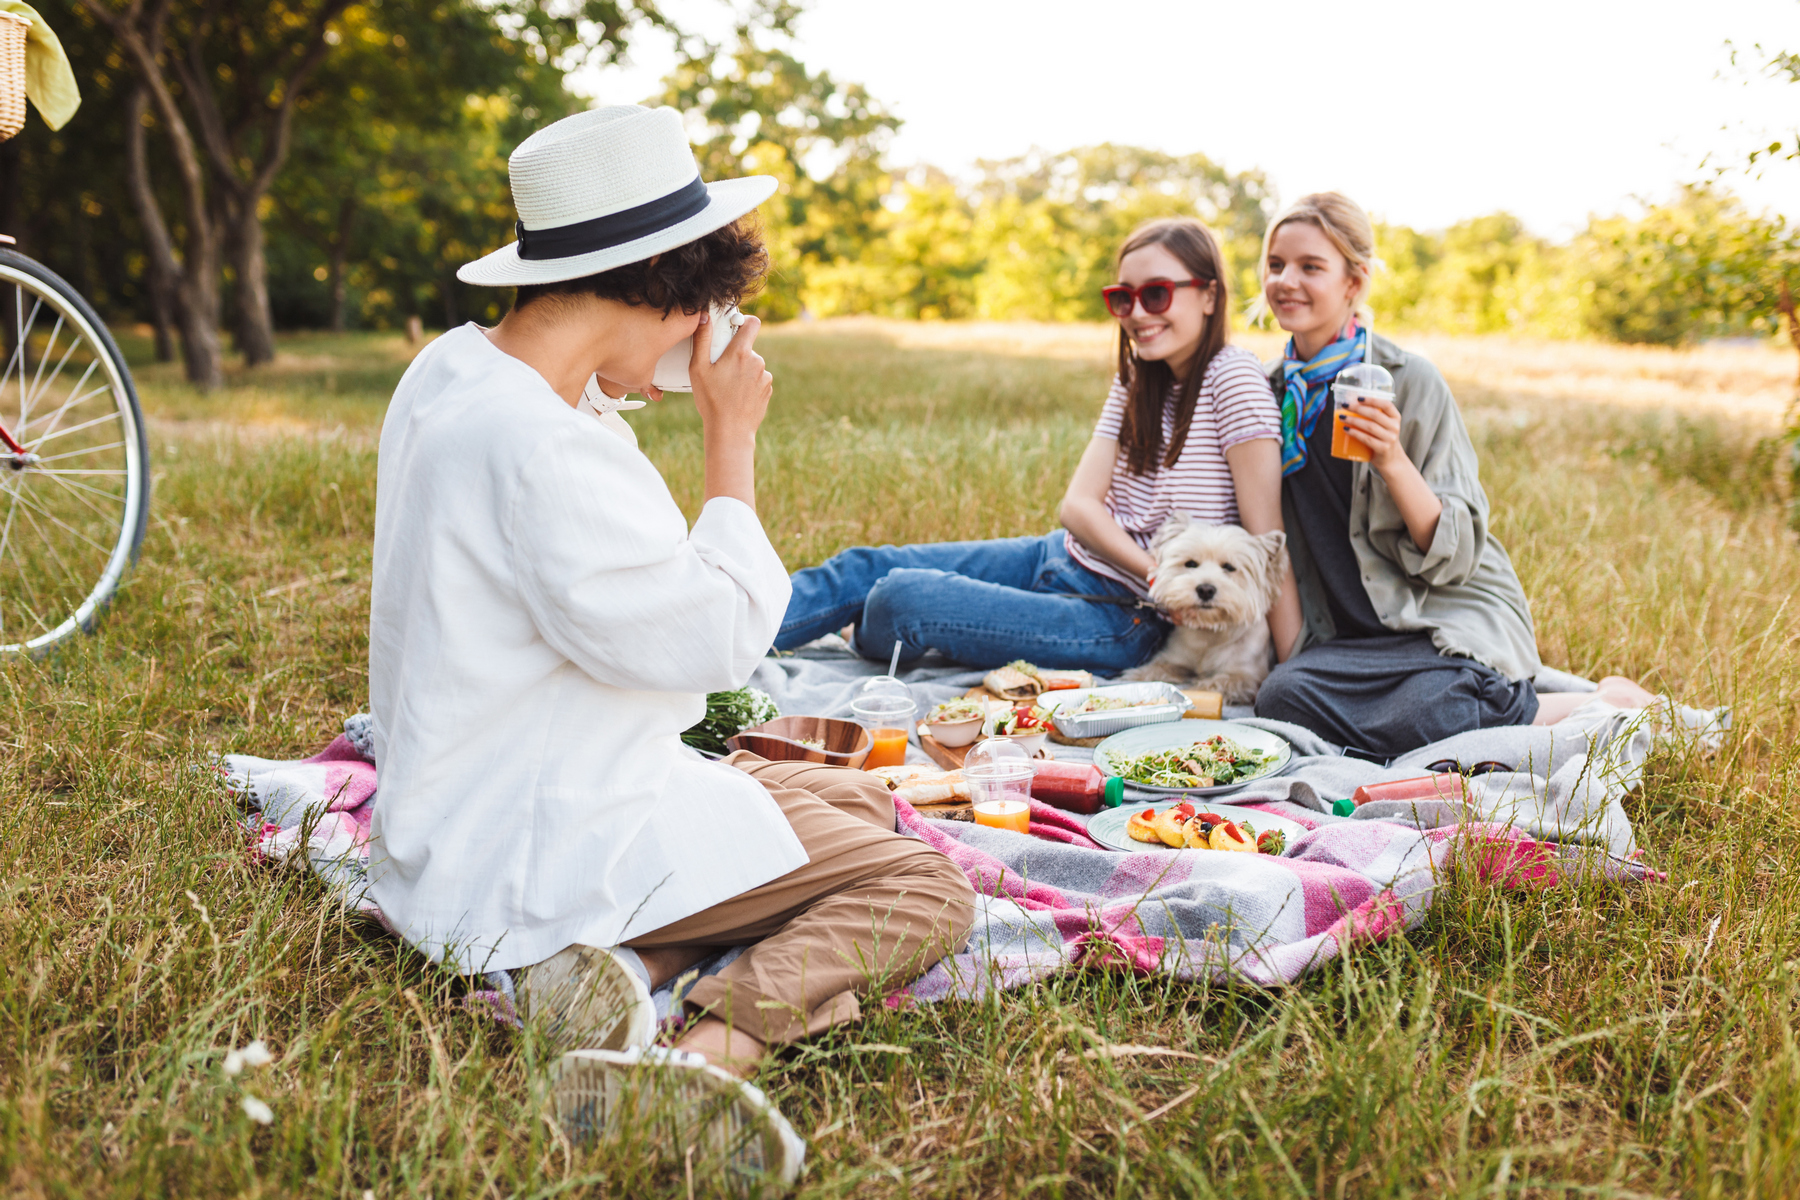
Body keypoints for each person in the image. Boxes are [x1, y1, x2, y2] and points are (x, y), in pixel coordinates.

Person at [366, 105, 975, 1186]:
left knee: (858, 803)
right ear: (660, 274)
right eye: (715, 298)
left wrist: (628, 379)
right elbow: (718, 644)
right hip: (534, 854)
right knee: (927, 890)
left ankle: (626, 964)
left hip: (456, 821)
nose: (721, 326)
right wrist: (726, 437)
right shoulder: (548, 450)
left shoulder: (453, 375)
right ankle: (703, 1055)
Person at [774, 216, 1299, 672]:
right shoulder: (1138, 377)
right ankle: (722, 637)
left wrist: (1290, 667)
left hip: (1124, 617)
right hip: (1060, 556)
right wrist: (1155, 570)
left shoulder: (1233, 379)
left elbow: (1266, 537)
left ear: (1209, 294)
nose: (1138, 313)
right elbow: (1078, 506)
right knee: (865, 565)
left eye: (1157, 294)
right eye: (1123, 298)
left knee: (900, 596)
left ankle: (864, 632)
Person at [1250, 192, 1653, 758]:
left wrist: (1391, 459)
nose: (1286, 280)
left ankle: (1585, 704)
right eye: (1276, 265)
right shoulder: (1267, 394)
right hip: (1353, 638)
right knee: (1281, 696)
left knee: (1428, 708)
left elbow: (1458, 552)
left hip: (1439, 617)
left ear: (1354, 281)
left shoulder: (1409, 379)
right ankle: (1494, 710)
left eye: (1310, 266)